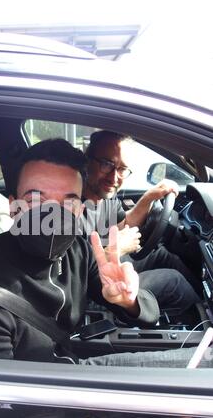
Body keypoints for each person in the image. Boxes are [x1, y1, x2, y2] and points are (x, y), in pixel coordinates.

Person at [0, 139, 210, 368]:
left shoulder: (77, 249)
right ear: (14, 207)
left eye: (68, 202)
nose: (53, 214)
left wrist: (128, 299)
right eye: (36, 199)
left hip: (67, 357)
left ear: (80, 210)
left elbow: (139, 310)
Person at [82, 130, 201, 304]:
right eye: (107, 164)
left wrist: (149, 197)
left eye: (122, 169)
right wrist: (116, 248)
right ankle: (203, 317)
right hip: (94, 286)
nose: (114, 177)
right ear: (87, 160)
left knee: (163, 255)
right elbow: (74, 269)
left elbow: (124, 225)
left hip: (109, 262)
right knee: (174, 281)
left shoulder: (104, 195)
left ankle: (204, 298)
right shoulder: (70, 205)